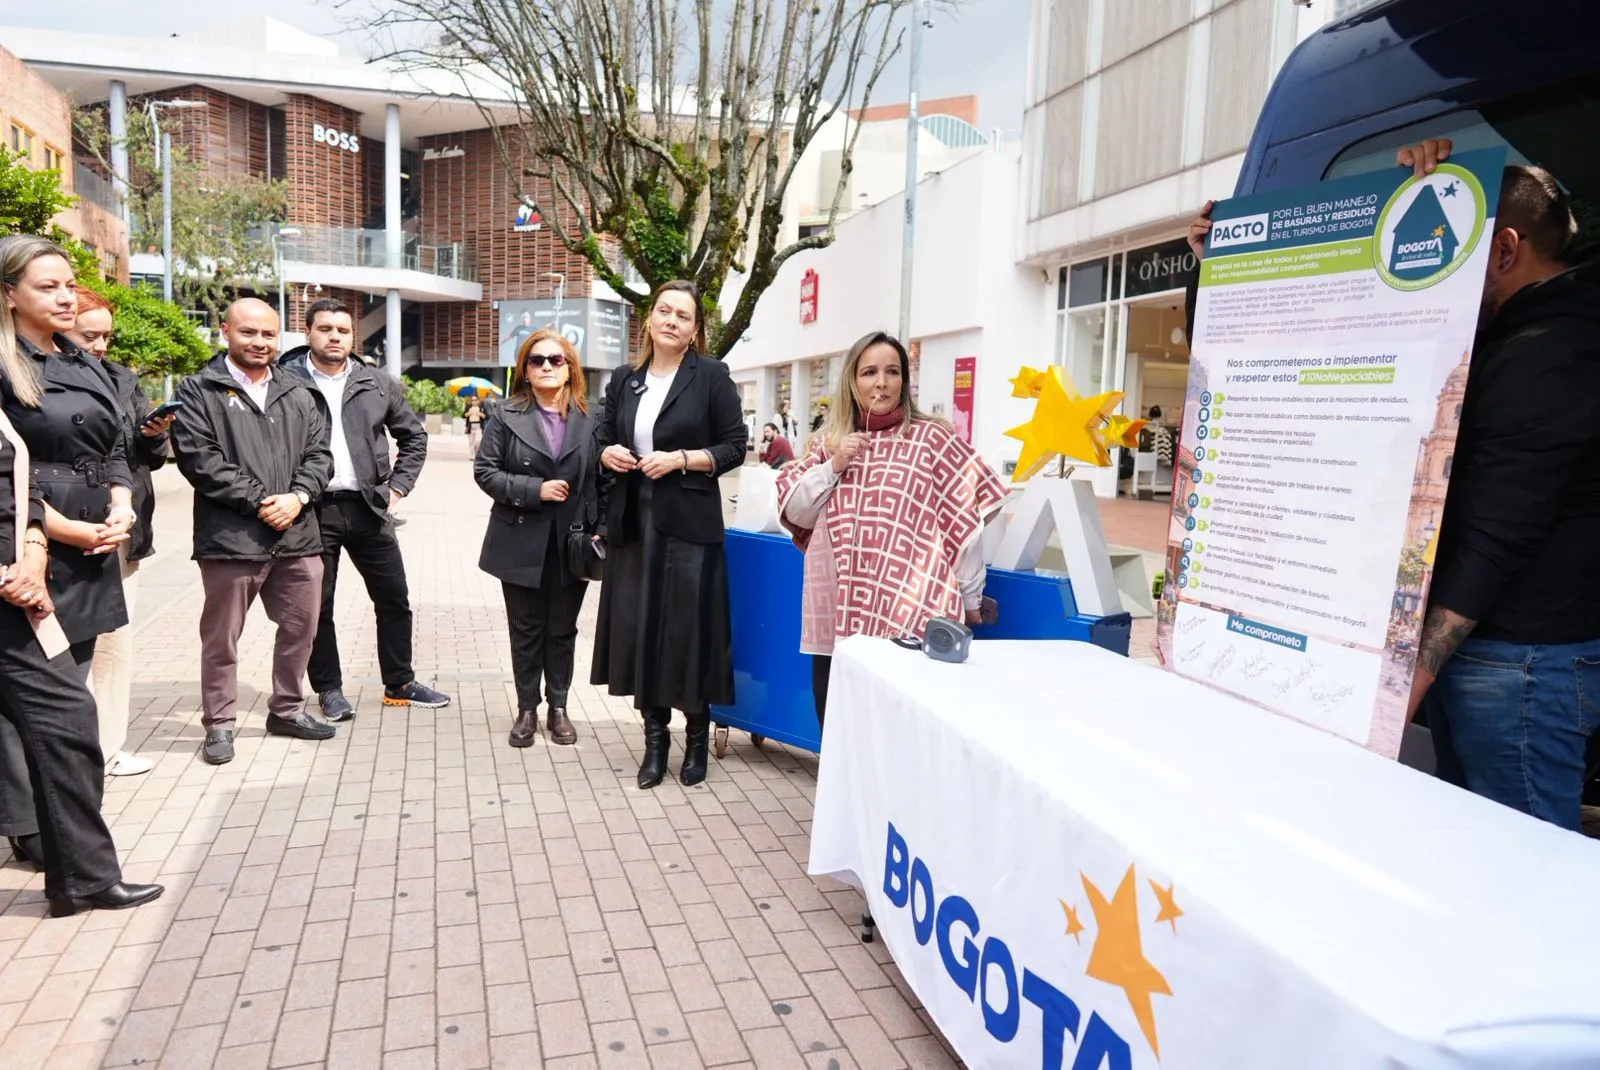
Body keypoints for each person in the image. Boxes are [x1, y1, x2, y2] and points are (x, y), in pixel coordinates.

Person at [1392, 141, 1600, 830]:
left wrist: (1409, 679)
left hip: (1520, 667)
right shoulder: (1525, 334)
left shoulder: (1551, 347)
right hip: (1507, 658)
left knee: (1525, 874)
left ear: (1506, 249)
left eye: (1456, 251)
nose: (1441, 271)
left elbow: (1497, 534)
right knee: (1485, 856)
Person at [0, 233, 162, 915]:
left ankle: (61, 853)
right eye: (48, 286)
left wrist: (123, 501)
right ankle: (61, 854)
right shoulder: (8, 366)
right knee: (61, 718)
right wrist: (48, 529)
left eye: (70, 284)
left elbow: (119, 442)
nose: (66, 296)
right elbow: (9, 470)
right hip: (33, 557)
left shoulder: (82, 358)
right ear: (10, 295)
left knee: (60, 711)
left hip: (94, 549)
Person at [776, 331, 1008, 726]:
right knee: (833, 718)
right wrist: (834, 465)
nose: (881, 382)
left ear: (904, 381)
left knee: (899, 725)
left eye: (892, 371)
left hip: (911, 610)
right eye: (869, 372)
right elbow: (795, 510)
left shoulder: (933, 437)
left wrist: (971, 599)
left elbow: (966, 526)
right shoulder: (827, 442)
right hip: (837, 607)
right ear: (852, 380)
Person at [594, 280, 747, 789]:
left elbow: (734, 447)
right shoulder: (625, 379)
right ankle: (655, 743)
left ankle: (697, 738)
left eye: (683, 315)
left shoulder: (711, 377)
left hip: (690, 526)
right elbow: (600, 434)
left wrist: (683, 459)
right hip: (634, 525)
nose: (672, 321)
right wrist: (606, 453)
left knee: (689, 632)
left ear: (695, 330)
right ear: (649, 318)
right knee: (643, 631)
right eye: (664, 310)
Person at [170, 298, 335, 766]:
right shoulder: (199, 389)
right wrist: (263, 501)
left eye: (268, 334)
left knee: (303, 628)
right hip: (231, 540)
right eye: (249, 333)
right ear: (226, 331)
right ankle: (219, 723)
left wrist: (298, 497)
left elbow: (320, 455)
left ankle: (286, 709)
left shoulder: (299, 391)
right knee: (222, 638)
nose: (260, 342)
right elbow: (200, 460)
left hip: (298, 535)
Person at [278, 297, 449, 721]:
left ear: (353, 336)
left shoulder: (376, 382)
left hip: (370, 509)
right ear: (308, 333)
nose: (334, 336)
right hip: (312, 511)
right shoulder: (285, 381)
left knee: (394, 598)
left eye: (343, 330)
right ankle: (329, 690)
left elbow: (414, 437)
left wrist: (397, 489)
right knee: (319, 605)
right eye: (325, 329)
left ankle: (400, 683)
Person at [476, 329, 605, 748]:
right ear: (525, 371)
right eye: (537, 360)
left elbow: (605, 480)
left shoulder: (593, 419)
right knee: (526, 629)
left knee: (562, 629)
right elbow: (486, 472)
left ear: (570, 369)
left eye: (556, 359)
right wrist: (535, 490)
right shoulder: (504, 413)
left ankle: (560, 707)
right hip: (519, 540)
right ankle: (527, 708)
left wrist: (601, 529)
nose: (547, 366)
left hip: (573, 541)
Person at [67, 288, 173, 777]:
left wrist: (153, 437)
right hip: (59, 529)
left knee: (114, 644)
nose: (101, 346)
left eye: (107, 336)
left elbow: (144, 459)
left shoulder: (124, 381)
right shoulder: (35, 382)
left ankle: (107, 748)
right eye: (90, 336)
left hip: (122, 530)